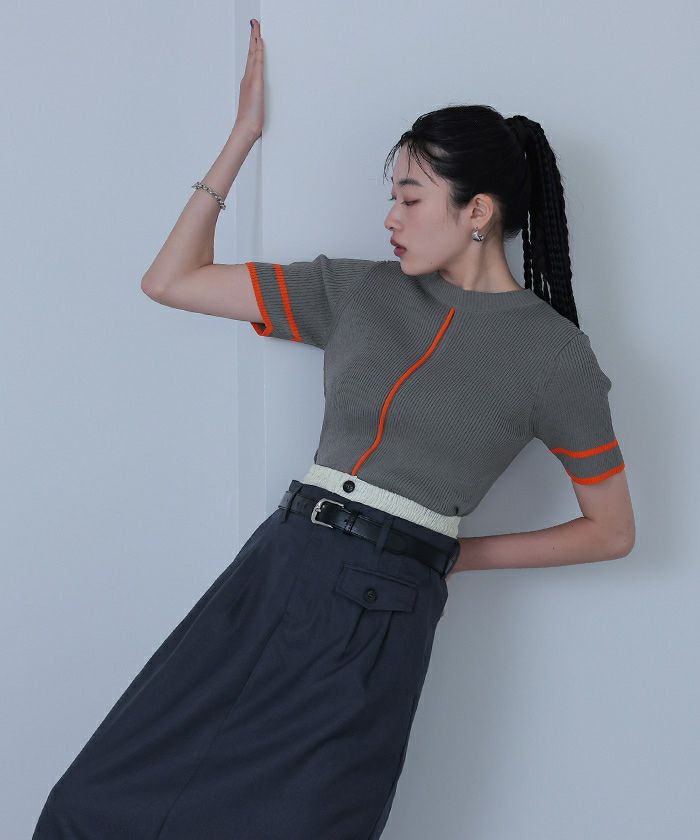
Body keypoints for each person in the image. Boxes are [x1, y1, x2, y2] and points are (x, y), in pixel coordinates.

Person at [32, 17, 635, 840]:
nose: (391, 217)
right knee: (94, 806)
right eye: (392, 197)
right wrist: (241, 138)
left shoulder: (555, 357)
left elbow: (611, 532)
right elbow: (171, 280)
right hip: (278, 568)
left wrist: (454, 555)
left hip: (383, 611)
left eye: (410, 198)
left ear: (478, 210)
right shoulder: (362, 292)